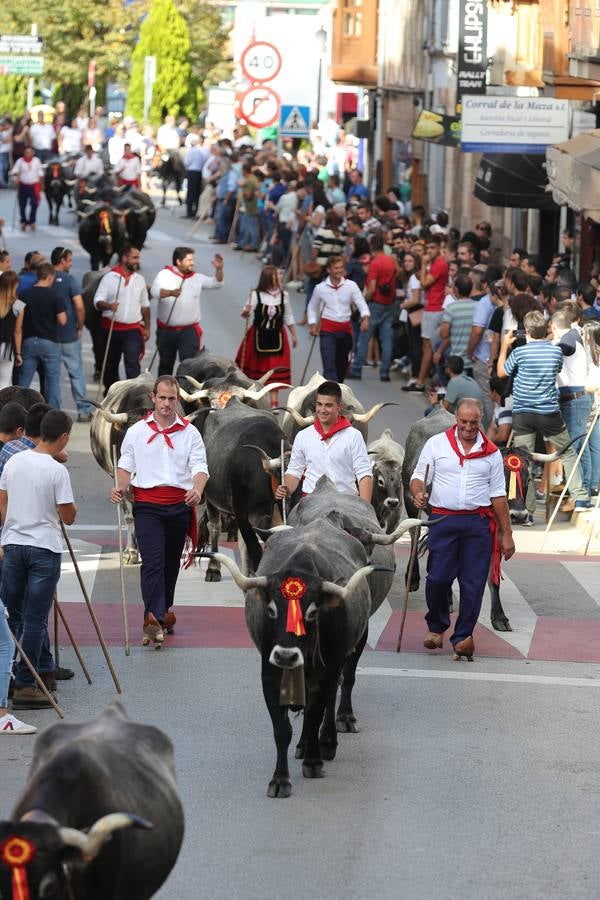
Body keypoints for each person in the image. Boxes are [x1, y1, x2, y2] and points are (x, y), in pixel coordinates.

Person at [410, 398, 515, 660]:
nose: (468, 427)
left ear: (481, 421)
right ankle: (436, 626)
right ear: (456, 418)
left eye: (474, 422)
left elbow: (498, 496)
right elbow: (418, 477)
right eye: (463, 421)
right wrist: (418, 492)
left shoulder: (491, 452)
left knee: (473, 584)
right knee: (437, 579)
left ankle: (463, 637)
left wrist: (507, 534)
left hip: (477, 525)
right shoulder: (436, 444)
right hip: (442, 521)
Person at [111, 375, 209, 646]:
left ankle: (164, 609)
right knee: (152, 562)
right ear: (153, 398)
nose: (166, 404)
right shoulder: (136, 431)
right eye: (162, 398)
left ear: (177, 400)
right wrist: (120, 486)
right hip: (147, 506)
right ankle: (152, 619)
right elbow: (125, 463)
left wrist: (198, 490)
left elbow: (200, 467)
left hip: (179, 505)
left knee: (169, 564)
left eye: (171, 399)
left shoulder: (190, 433)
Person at [0, 409, 76, 710]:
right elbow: (68, 516)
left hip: (13, 544)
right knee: (34, 618)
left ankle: (7, 677)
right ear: (64, 437)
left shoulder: (15, 460)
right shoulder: (57, 470)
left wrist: (13, 522)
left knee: (12, 615)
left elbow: (2, 499)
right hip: (44, 548)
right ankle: (26, 683)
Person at [498, 309, 590, 515]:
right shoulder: (555, 351)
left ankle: (525, 510)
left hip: (523, 413)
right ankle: (580, 498)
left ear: (527, 331)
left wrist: (505, 346)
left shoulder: (519, 352)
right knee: (567, 452)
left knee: (522, 460)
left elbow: (501, 372)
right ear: (546, 329)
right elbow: (556, 370)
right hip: (548, 411)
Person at [276, 380, 373, 502]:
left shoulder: (354, 436)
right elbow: (295, 471)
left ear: (339, 407)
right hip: (311, 501)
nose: (322, 410)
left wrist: (364, 509)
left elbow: (364, 474)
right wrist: (286, 488)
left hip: (345, 501)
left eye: (328, 405)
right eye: (319, 404)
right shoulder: (302, 436)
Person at [150, 246, 223, 376]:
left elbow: (216, 283)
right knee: (166, 364)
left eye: (192, 260)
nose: (192, 263)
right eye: (189, 260)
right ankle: (163, 393)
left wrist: (219, 269)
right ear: (178, 261)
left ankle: (186, 394)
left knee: (190, 367)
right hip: (167, 331)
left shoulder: (197, 277)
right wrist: (170, 293)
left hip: (189, 332)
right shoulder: (164, 275)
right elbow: (154, 291)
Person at [93, 245, 150, 394]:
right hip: (111, 329)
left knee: (132, 365)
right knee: (110, 365)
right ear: (125, 258)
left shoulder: (140, 280)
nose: (138, 261)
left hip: (132, 330)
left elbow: (145, 306)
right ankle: (112, 394)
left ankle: (135, 396)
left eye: (138, 257)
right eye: (135, 257)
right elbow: (97, 301)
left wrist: (148, 327)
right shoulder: (110, 277)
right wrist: (108, 305)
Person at [307, 255, 370, 382]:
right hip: (327, 331)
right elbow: (312, 307)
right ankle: (329, 394)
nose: (339, 270)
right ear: (329, 270)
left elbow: (361, 302)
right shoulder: (320, 288)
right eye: (336, 268)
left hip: (345, 331)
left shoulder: (351, 286)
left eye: (341, 267)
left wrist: (365, 318)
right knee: (329, 366)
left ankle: (337, 392)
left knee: (342, 368)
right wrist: (313, 324)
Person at [236, 265, 297, 391]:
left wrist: (294, 335)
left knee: (274, 368)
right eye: (277, 276)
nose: (280, 278)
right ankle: (256, 397)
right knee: (258, 368)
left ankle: (274, 403)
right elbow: (245, 315)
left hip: (277, 336)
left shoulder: (284, 295)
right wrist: (246, 311)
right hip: (258, 335)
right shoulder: (255, 294)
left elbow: (288, 316)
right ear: (268, 279)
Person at [16, 263, 68, 409]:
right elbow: (63, 320)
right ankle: (52, 415)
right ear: (50, 277)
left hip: (29, 342)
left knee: (24, 383)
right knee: (52, 382)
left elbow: (18, 321)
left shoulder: (24, 294)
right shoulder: (55, 296)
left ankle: (18, 411)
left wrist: (18, 350)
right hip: (49, 343)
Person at [349, 231, 398, 382]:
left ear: (371, 246)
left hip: (375, 304)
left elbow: (371, 287)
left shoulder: (375, 263)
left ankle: (356, 368)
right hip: (389, 303)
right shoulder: (391, 261)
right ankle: (384, 372)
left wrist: (362, 303)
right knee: (386, 339)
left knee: (364, 337)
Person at [51, 248, 93, 422]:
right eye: (69, 260)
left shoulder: (45, 278)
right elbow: (79, 306)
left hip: (50, 336)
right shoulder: (69, 280)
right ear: (62, 260)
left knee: (52, 376)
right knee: (76, 373)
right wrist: (80, 326)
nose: (71, 263)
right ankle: (83, 411)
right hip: (69, 335)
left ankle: (52, 412)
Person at [403, 235, 449, 392]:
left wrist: (422, 264)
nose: (429, 251)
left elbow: (423, 283)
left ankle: (420, 382)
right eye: (428, 248)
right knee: (427, 345)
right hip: (432, 307)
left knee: (427, 345)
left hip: (435, 308)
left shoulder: (438, 264)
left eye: (432, 248)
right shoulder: (436, 263)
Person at [0, 271, 25, 389]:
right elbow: (17, 331)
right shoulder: (18, 305)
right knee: (4, 383)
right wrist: (18, 353)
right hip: (7, 349)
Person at [10, 147, 44, 232]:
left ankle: (32, 221)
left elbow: (40, 173)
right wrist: (16, 178)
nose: (28, 154)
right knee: (22, 205)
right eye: (26, 152)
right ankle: (23, 221)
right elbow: (14, 172)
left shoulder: (36, 161)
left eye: (30, 152)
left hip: (34, 186)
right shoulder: (20, 161)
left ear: (33, 153)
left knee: (34, 204)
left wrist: (42, 184)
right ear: (24, 153)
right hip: (23, 186)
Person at [184, 137, 207, 219]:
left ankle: (189, 211)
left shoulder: (191, 151)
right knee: (197, 192)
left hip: (192, 172)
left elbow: (187, 162)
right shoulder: (200, 152)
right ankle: (196, 210)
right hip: (198, 172)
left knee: (190, 192)